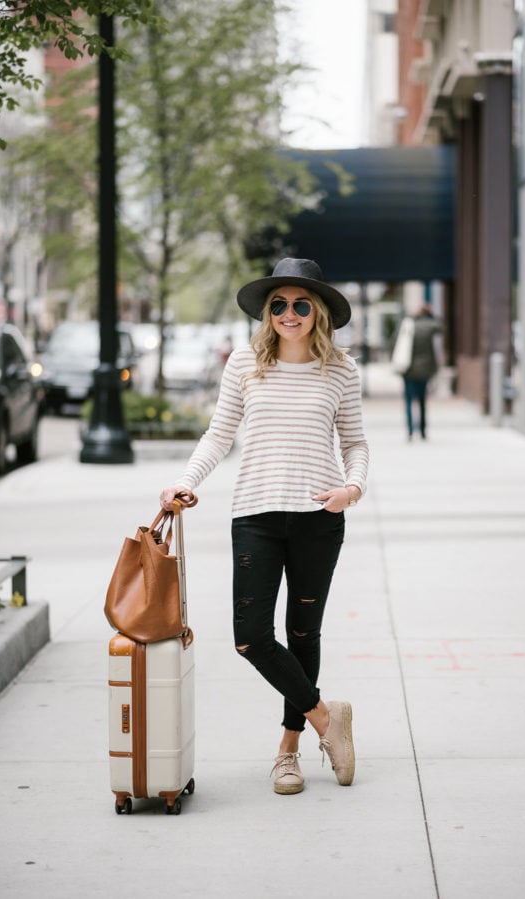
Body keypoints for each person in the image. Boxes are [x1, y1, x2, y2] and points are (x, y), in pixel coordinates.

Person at [160, 258, 369, 795]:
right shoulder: (244, 364)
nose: (289, 313)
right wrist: (188, 480)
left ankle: (289, 751)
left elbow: (355, 443)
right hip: (255, 514)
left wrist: (352, 489)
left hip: (319, 519)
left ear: (317, 311)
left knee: (303, 635)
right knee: (251, 638)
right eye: (279, 304)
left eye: (301, 304)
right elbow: (218, 434)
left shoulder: (341, 369)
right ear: (267, 311)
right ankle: (328, 719)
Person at [394, 298, 442, 440]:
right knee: (422, 401)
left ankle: (409, 431)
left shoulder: (406, 326)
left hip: (407, 369)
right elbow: (440, 327)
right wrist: (431, 314)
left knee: (408, 400)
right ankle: (422, 431)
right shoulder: (429, 326)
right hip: (424, 370)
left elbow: (395, 344)